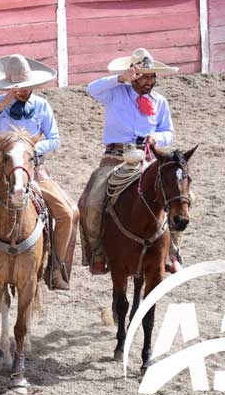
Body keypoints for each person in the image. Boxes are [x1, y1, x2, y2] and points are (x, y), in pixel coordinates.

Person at [0, 54, 79, 290]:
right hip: (1, 170)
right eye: (16, 88)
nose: (22, 91)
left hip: (34, 167)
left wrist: (26, 150)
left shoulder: (42, 106)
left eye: (25, 87)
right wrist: (3, 104)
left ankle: (57, 268)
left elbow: (54, 140)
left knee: (68, 212)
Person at [78, 47, 182, 275]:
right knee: (92, 202)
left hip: (148, 157)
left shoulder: (160, 102)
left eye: (151, 76)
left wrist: (157, 137)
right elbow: (92, 89)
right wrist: (120, 78)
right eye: (143, 75)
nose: (148, 81)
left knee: (180, 196)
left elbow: (169, 132)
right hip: (115, 157)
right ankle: (97, 252)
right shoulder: (115, 92)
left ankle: (172, 251)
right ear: (132, 74)